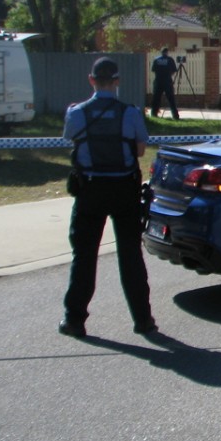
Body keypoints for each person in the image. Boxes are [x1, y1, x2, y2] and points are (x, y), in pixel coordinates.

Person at [59, 57, 156, 338]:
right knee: (130, 256)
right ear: (117, 82)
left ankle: (74, 320)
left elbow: (71, 140)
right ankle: (143, 320)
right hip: (124, 190)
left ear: (91, 80)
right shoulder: (131, 113)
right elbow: (139, 151)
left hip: (90, 190)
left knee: (84, 256)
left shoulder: (76, 113)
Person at [150, 47, 180, 119]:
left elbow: (153, 70)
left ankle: (154, 114)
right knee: (171, 99)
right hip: (167, 81)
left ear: (161, 52)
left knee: (156, 98)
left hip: (158, 81)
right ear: (167, 52)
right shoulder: (170, 60)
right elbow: (173, 71)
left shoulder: (156, 59)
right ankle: (175, 115)